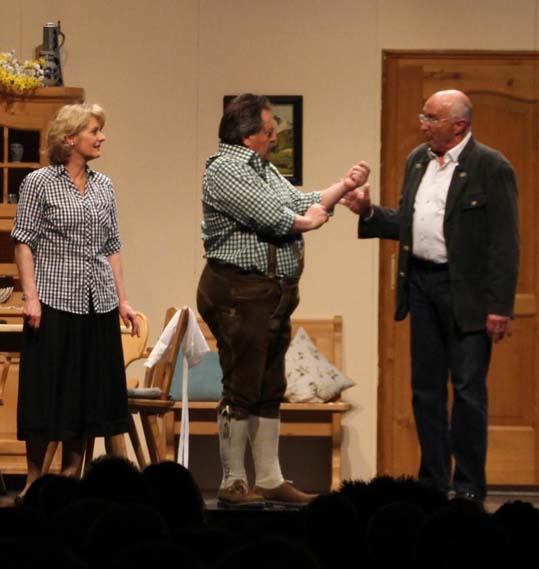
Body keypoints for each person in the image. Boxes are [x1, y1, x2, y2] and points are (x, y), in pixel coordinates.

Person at [342, 89, 519, 502]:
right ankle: (433, 483)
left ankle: (469, 485)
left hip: (467, 292)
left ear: (459, 125)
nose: (422, 125)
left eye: (431, 118)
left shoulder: (490, 166)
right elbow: (409, 223)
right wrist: (369, 212)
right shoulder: (417, 160)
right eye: (423, 116)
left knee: (468, 390)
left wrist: (500, 306)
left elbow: (505, 242)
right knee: (425, 390)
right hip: (421, 285)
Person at [198, 93, 369, 507]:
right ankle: (234, 482)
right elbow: (271, 216)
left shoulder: (262, 168)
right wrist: (307, 223)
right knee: (242, 384)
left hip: (270, 295)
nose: (275, 136)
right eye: (269, 129)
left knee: (269, 384)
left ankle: (270, 478)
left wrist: (342, 187)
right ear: (248, 134)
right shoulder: (226, 168)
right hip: (239, 291)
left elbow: (295, 201)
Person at [13, 103, 140, 495]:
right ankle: (35, 480)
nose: (102, 137)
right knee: (46, 392)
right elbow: (23, 241)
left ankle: (71, 476)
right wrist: (31, 297)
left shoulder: (105, 186)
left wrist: (123, 300)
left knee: (85, 395)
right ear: (70, 138)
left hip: (97, 302)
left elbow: (112, 246)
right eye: (94, 131)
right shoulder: (38, 183)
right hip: (54, 300)